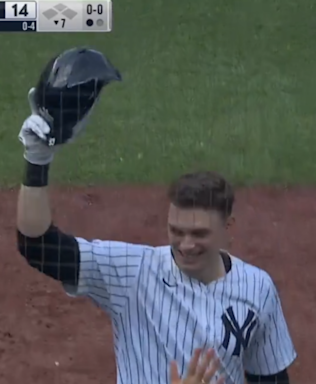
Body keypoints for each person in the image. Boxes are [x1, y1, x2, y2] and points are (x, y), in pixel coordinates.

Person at [16, 48, 296, 384]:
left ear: (228, 228)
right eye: (176, 231)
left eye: (199, 234)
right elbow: (38, 246)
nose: (186, 244)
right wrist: (37, 160)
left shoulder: (257, 288)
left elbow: (272, 380)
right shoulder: (133, 275)